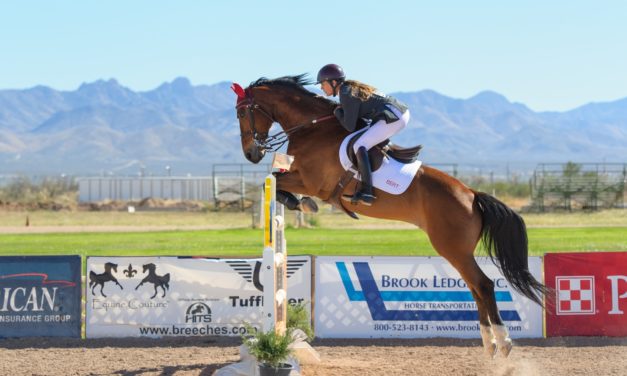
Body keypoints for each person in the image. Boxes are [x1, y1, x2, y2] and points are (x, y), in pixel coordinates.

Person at [317, 63, 410, 206]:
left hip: (394, 116)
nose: (321, 87)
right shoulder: (348, 89)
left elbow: (349, 126)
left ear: (333, 82)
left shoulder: (346, 92)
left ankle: (367, 191)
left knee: (360, 145)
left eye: (323, 84)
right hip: (395, 113)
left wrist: (337, 112)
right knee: (364, 141)